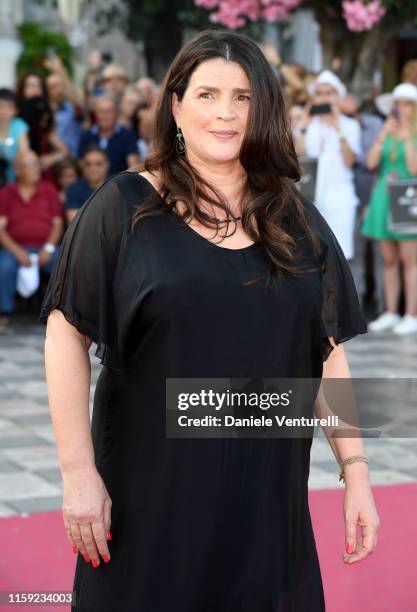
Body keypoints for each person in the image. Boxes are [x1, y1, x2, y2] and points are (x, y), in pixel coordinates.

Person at [39, 29, 378, 611]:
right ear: (175, 105)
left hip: (266, 505)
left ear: (264, 108)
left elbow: (326, 352)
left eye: (243, 97)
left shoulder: (295, 217)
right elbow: (66, 332)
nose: (225, 113)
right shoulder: (121, 208)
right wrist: (78, 473)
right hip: (151, 498)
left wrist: (358, 475)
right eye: (207, 94)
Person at [361, 83, 417, 334]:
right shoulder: (388, 132)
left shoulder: (413, 134)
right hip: (385, 197)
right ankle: (391, 311)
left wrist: (406, 138)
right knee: (389, 259)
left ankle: (411, 315)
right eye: (397, 104)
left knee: (410, 260)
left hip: (408, 198)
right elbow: (371, 163)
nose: (400, 109)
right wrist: (384, 135)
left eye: (405, 104)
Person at [299, 70, 362, 261]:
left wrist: (338, 128)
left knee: (340, 255)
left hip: (339, 196)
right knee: (309, 254)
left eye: (329, 93)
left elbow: (351, 161)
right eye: (320, 93)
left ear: (337, 96)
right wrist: (304, 124)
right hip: (309, 196)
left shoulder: (350, 125)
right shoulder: (308, 124)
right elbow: (297, 154)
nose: (325, 97)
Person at [0, 150, 63, 332]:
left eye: (37, 164)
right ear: (18, 170)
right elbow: (1, 228)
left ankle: (57, 313)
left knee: (64, 262)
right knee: (4, 265)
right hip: (15, 249)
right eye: (31, 165)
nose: (37, 169)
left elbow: (57, 224)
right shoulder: (6, 193)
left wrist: (49, 248)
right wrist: (17, 251)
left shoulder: (49, 189)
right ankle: (5, 312)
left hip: (45, 247)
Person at [78, 93, 140, 176]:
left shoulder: (127, 136)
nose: (104, 116)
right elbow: (81, 165)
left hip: (118, 185)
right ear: (96, 114)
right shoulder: (87, 136)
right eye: (101, 112)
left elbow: (133, 167)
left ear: (117, 114)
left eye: (108, 112)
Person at [64, 146, 109, 223]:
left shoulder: (117, 186)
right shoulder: (74, 188)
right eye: (88, 164)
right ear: (82, 165)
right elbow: (73, 222)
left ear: (107, 165)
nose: (93, 168)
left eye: (98, 164)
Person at [0, 88, 30, 185]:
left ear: (15, 110)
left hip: (14, 179)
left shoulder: (19, 126)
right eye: (1, 106)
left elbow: (24, 154)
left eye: (9, 107)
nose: (4, 111)